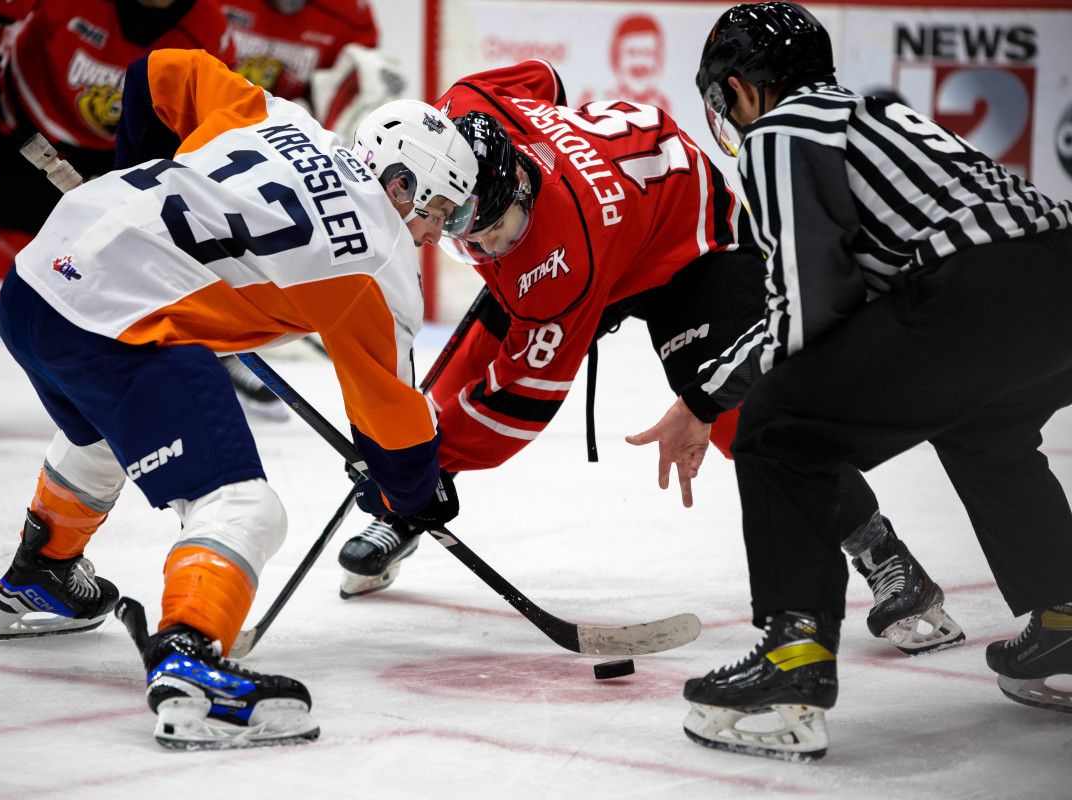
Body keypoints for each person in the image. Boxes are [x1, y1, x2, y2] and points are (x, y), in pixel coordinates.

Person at [335, 56, 963, 661]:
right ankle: (410, 500)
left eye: (497, 226)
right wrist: (409, 448)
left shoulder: (552, 259)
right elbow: (543, 78)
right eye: (469, 223)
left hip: (689, 251)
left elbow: (515, 410)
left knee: (741, 414)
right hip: (604, 217)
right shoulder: (470, 109)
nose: (490, 239)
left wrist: (410, 460)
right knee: (457, 377)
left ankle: (886, 557)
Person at [0, 48, 474, 749]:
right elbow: (392, 429)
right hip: (113, 324)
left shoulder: (280, 117)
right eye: (440, 211)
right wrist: (412, 492)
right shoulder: (380, 259)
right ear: (400, 184)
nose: (435, 233)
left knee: (104, 433)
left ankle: (43, 572)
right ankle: (190, 661)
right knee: (243, 505)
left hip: (33, 287)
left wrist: (132, 180)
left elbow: (155, 73)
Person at [629, 1, 1072, 760]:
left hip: (973, 289)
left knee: (776, 429)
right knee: (985, 426)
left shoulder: (781, 130)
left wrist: (703, 399)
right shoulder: (870, 115)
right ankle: (1064, 620)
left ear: (739, 89)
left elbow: (805, 309)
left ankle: (790, 666)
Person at [0, 0, 233, 432]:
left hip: (127, 154)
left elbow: (215, 108)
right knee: (9, 245)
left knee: (136, 266)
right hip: (35, 125)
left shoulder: (208, 23)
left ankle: (208, 353)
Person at [217, 0, 408, 417]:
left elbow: (355, 93)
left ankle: (238, 337)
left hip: (280, 151)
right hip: (204, 137)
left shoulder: (346, 15)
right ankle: (218, 344)